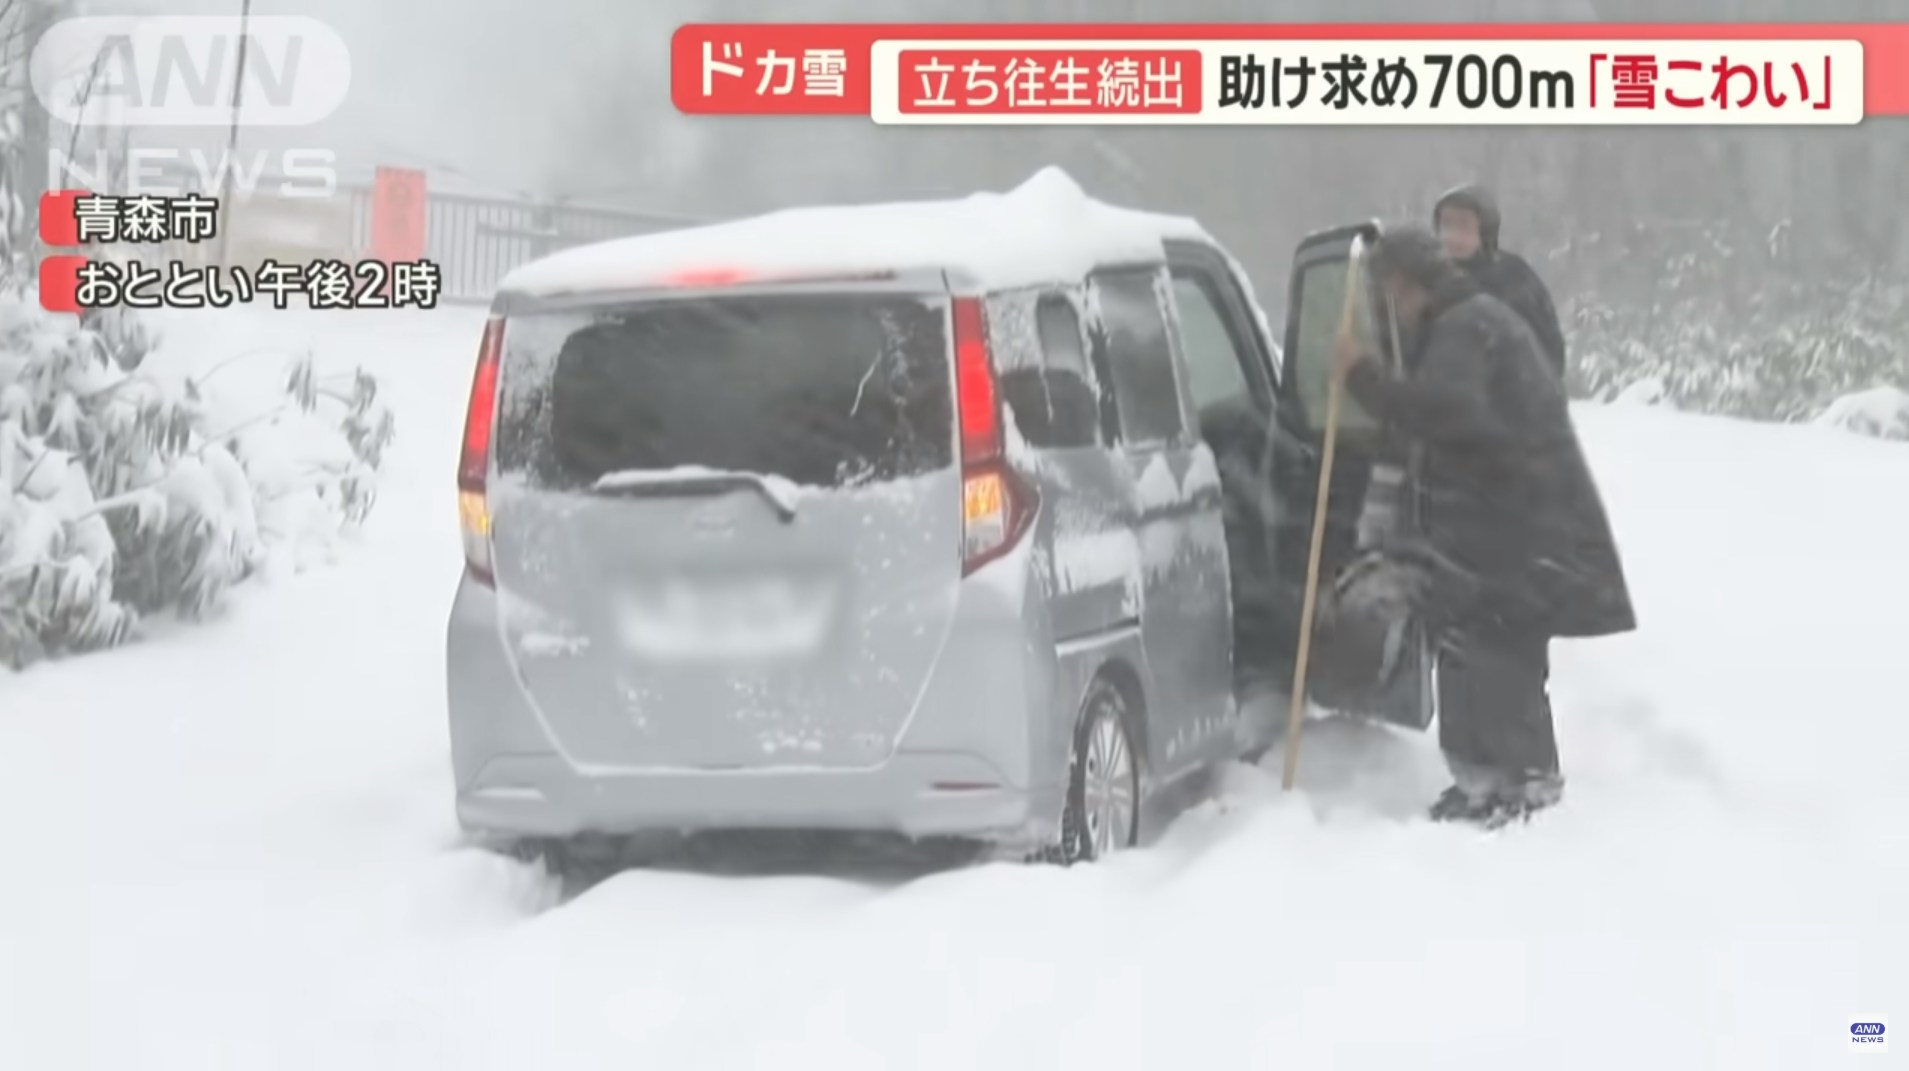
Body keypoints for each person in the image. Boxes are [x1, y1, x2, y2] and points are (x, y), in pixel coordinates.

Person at [1331, 226, 1635, 828]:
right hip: (1496, 517)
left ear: (1404, 283)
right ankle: (1480, 780)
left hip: (1518, 521)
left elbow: (1444, 414)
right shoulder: (1464, 323)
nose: (1385, 305)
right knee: (1470, 644)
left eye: (1385, 291)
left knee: (1502, 647)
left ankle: (1526, 781)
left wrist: (1363, 377)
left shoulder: (1466, 328)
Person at [1433, 184, 1568, 380]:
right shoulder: (1428, 278)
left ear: (1485, 229)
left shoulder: (1513, 277)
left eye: (1464, 225)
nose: (1453, 236)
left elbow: (1547, 349)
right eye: (1447, 224)